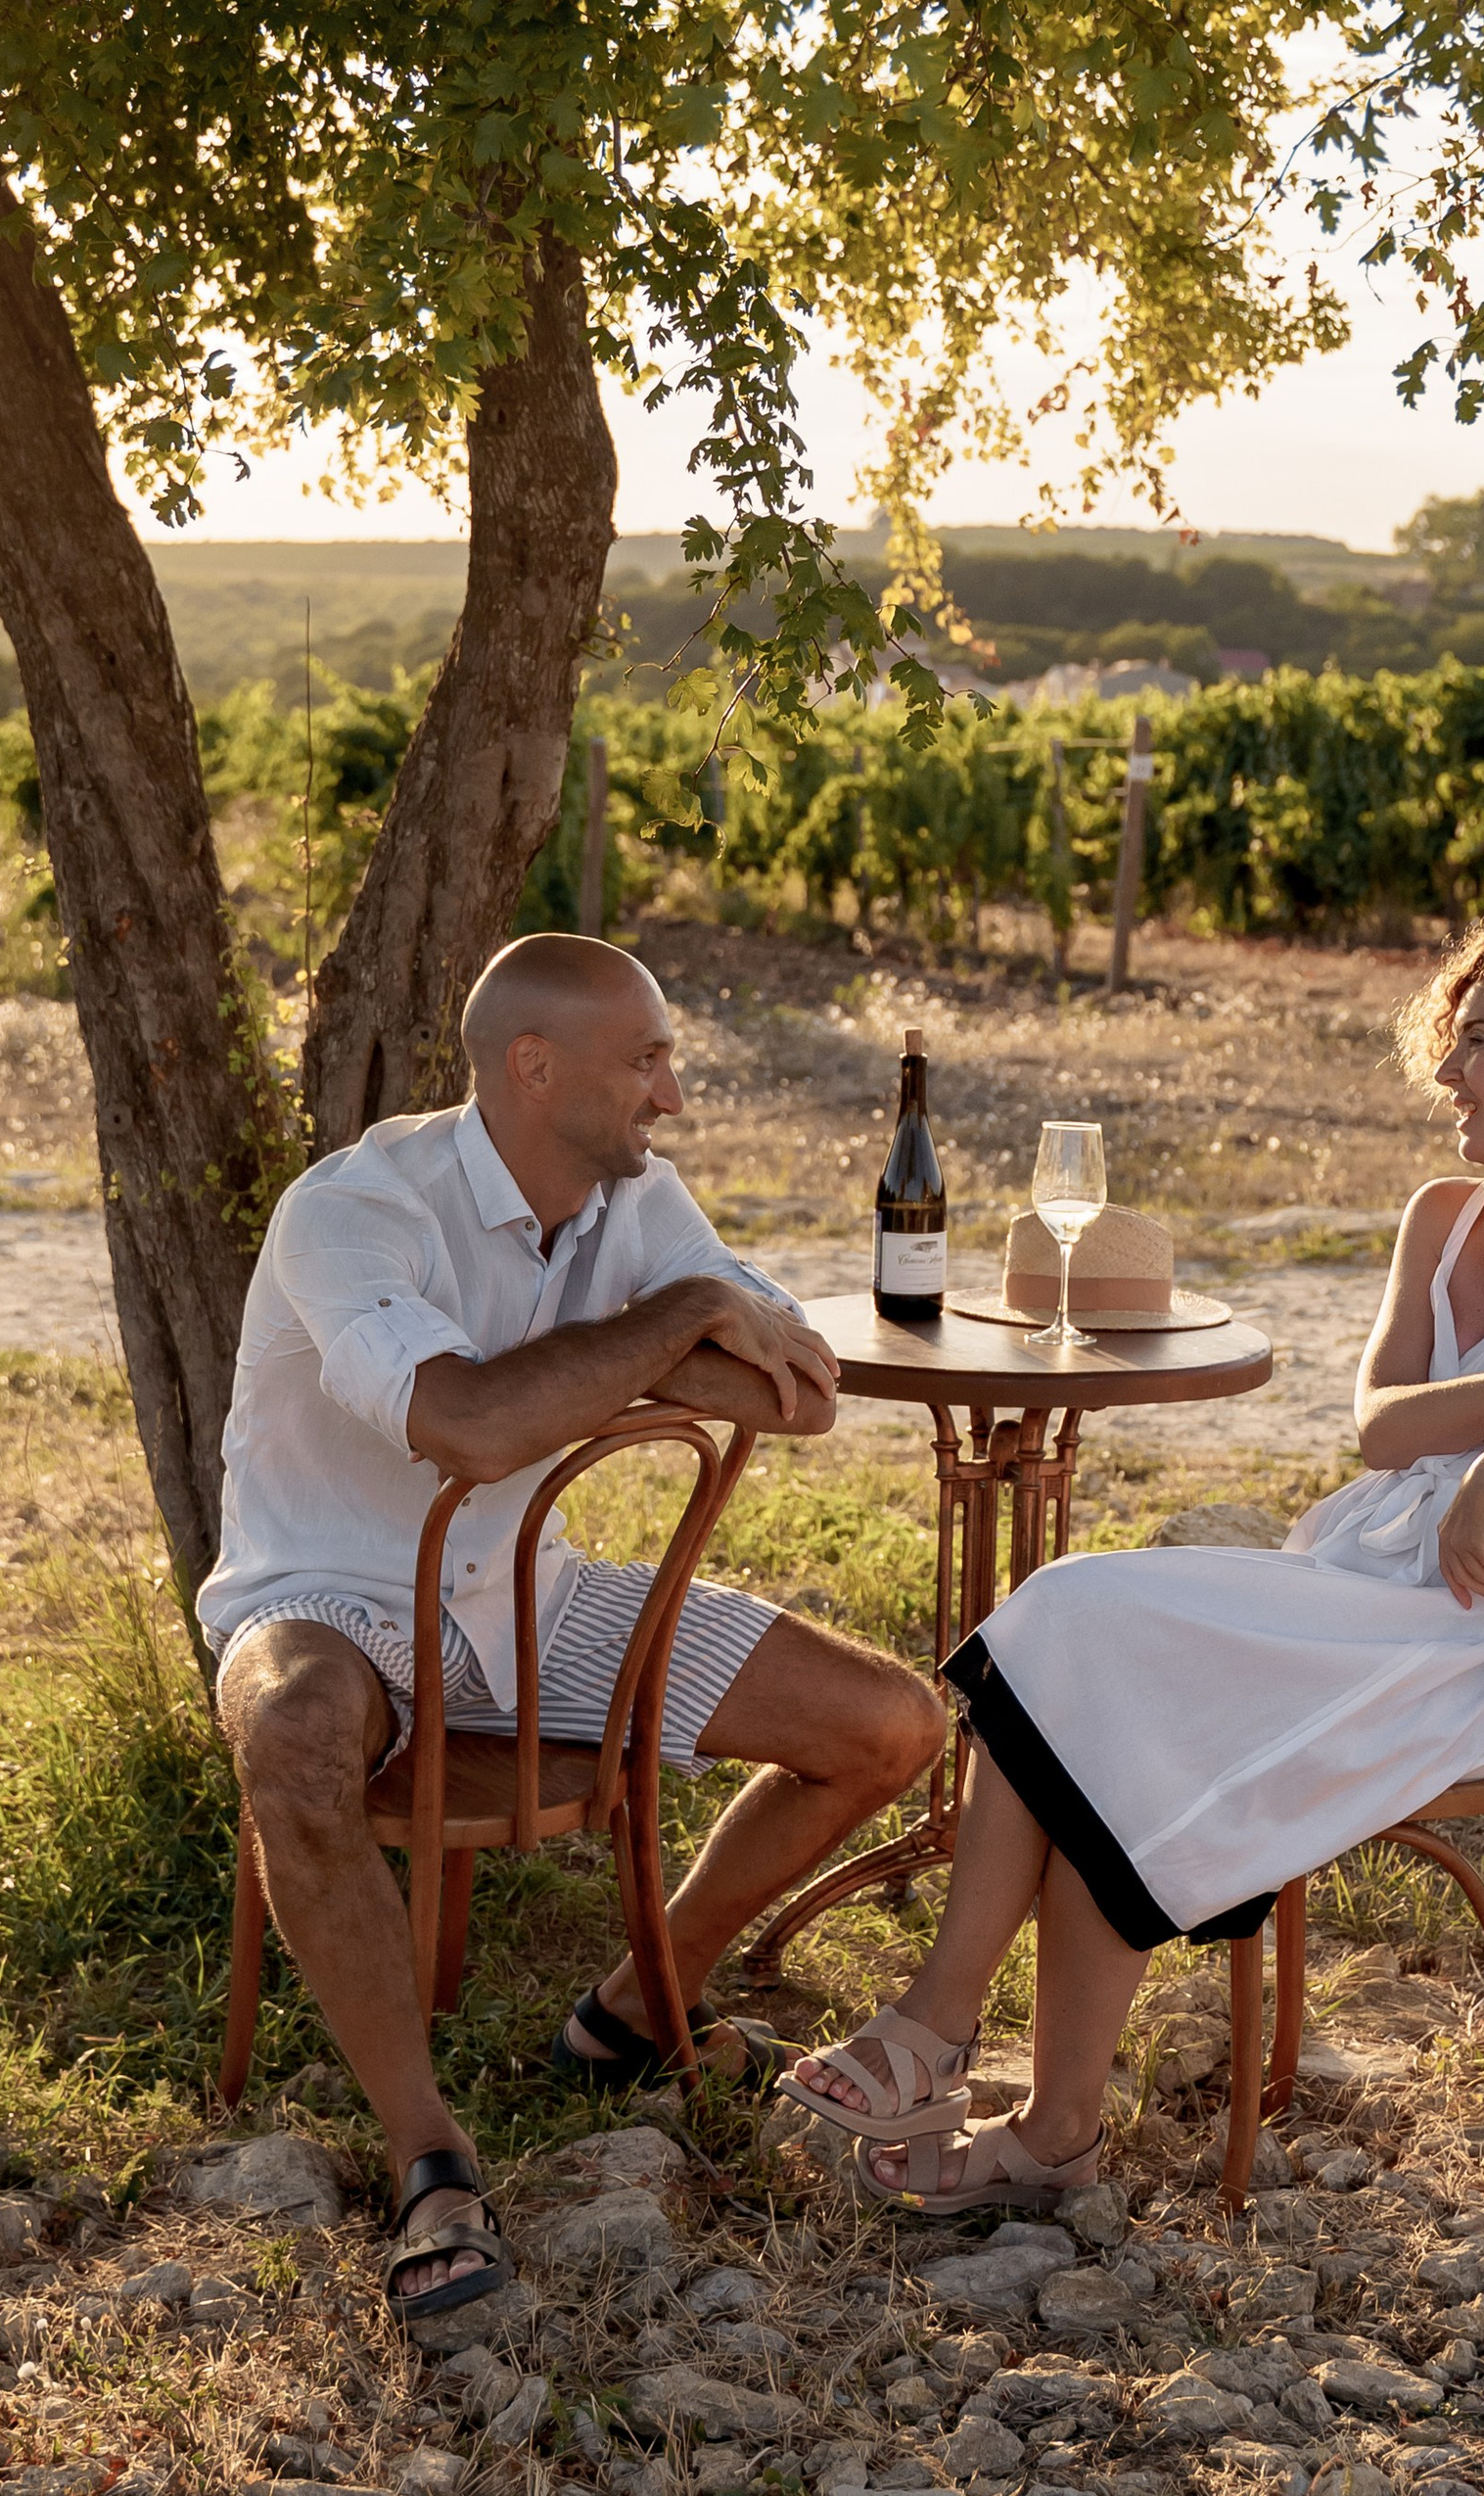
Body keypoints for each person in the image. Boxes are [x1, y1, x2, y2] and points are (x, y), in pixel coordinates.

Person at [787, 901, 1484, 2210]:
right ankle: (1016, 2103)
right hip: (1360, 1577)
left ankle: (968, 2063)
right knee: (1080, 1644)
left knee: (1092, 1641)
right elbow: (1380, 1430)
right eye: (1453, 1038)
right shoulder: (1444, 1217)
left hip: (1481, 1634)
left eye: (1479, 1043)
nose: (1447, 1072)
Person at [205, 933, 945, 2318]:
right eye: (647, 1061)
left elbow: (801, 1392)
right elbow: (473, 1426)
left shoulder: (635, 1201)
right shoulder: (353, 1211)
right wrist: (673, 1326)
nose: (672, 1098)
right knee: (295, 1732)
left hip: (530, 1593)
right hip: (329, 1595)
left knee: (889, 1727)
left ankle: (618, 2017)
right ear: (533, 1069)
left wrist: (635, 1349)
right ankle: (431, 2159)